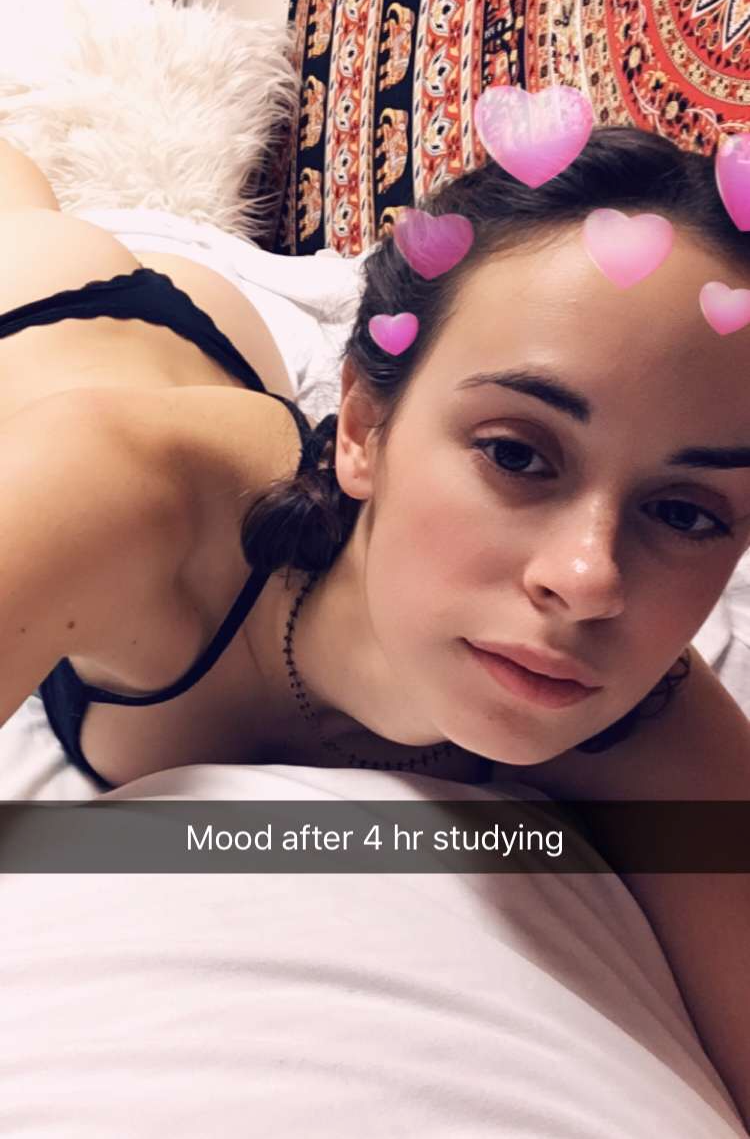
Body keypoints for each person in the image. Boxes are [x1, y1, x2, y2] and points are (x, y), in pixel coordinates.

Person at [1, 127, 749, 1128]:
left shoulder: (657, 727)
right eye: (517, 454)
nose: (588, 580)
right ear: (359, 425)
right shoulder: (109, 495)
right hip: (51, 321)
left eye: (687, 513)